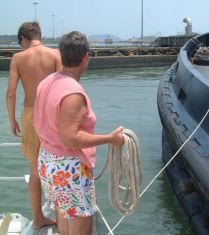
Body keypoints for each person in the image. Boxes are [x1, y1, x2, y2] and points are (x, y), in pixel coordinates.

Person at [33, 31, 125, 235]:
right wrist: (110, 138)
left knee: (65, 227)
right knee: (81, 231)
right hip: (69, 170)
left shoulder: (46, 82)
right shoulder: (73, 93)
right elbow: (70, 138)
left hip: (49, 163)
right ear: (85, 57)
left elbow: (37, 121)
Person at [6, 21, 62, 229]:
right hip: (53, 116)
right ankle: (62, 215)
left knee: (34, 168)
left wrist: (12, 120)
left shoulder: (18, 58)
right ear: (39, 35)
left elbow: (11, 92)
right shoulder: (55, 54)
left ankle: (38, 218)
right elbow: (65, 87)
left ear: (23, 39)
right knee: (57, 163)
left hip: (31, 116)